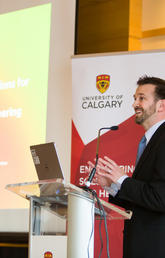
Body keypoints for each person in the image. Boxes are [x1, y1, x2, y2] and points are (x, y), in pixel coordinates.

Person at [88, 75, 165, 258]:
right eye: (134, 98)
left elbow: (161, 198)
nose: (134, 104)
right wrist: (111, 185)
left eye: (142, 98)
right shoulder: (151, 140)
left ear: (161, 105)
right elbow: (142, 199)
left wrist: (122, 179)